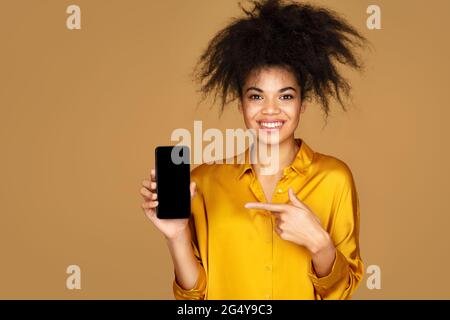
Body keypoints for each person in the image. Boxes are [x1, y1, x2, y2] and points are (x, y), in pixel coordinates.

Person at [140, 0, 368, 300]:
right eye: (257, 96)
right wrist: (177, 235)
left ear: (303, 104)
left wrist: (320, 244)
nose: (270, 110)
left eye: (285, 96)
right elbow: (194, 300)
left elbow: (340, 293)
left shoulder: (334, 178)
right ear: (242, 105)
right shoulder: (203, 182)